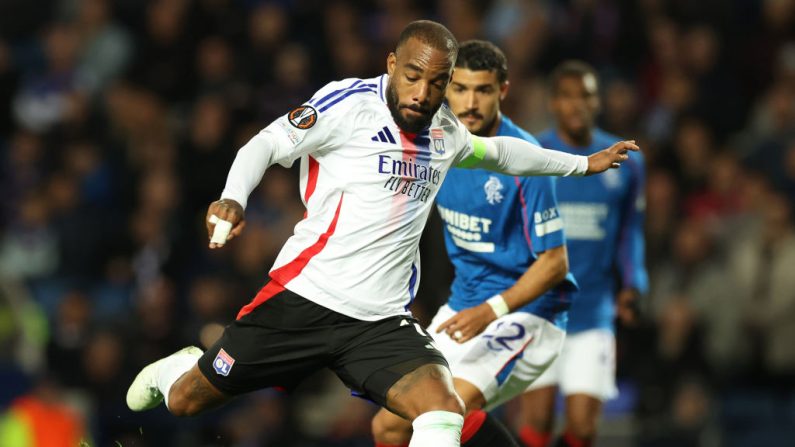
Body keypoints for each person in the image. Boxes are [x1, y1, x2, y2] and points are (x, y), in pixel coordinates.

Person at [126, 22, 636, 447]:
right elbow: (266, 143)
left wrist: (581, 165)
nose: (423, 93)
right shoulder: (347, 105)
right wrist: (234, 197)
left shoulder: (445, 129)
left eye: (437, 83)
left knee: (441, 409)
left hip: (380, 322)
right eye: (413, 77)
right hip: (305, 299)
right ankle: (182, 367)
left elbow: (502, 153)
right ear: (392, 64)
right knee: (186, 402)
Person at [371, 39, 579, 447]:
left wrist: (491, 310)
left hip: (530, 315)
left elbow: (555, 262)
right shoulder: (433, 145)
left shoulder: (524, 157)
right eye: (460, 88)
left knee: (440, 417)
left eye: (482, 90)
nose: (470, 102)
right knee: (389, 426)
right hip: (464, 306)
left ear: (502, 90)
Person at [517, 61, 648, 447]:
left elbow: (630, 232)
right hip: (540, 309)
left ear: (598, 102)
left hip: (594, 310)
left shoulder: (627, 162)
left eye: (585, 96)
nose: (577, 105)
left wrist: (634, 284)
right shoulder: (533, 153)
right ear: (553, 103)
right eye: (567, 96)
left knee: (584, 427)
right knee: (537, 420)